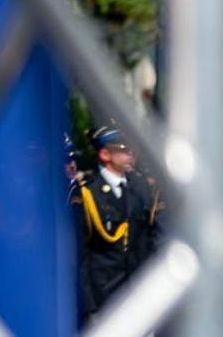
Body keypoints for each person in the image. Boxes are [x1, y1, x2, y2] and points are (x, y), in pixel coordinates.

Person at [73, 125, 160, 322]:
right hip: (105, 295)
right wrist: (90, 307)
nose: (131, 154)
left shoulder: (139, 187)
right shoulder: (89, 193)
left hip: (139, 293)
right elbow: (81, 255)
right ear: (105, 154)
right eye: (124, 150)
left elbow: (147, 239)